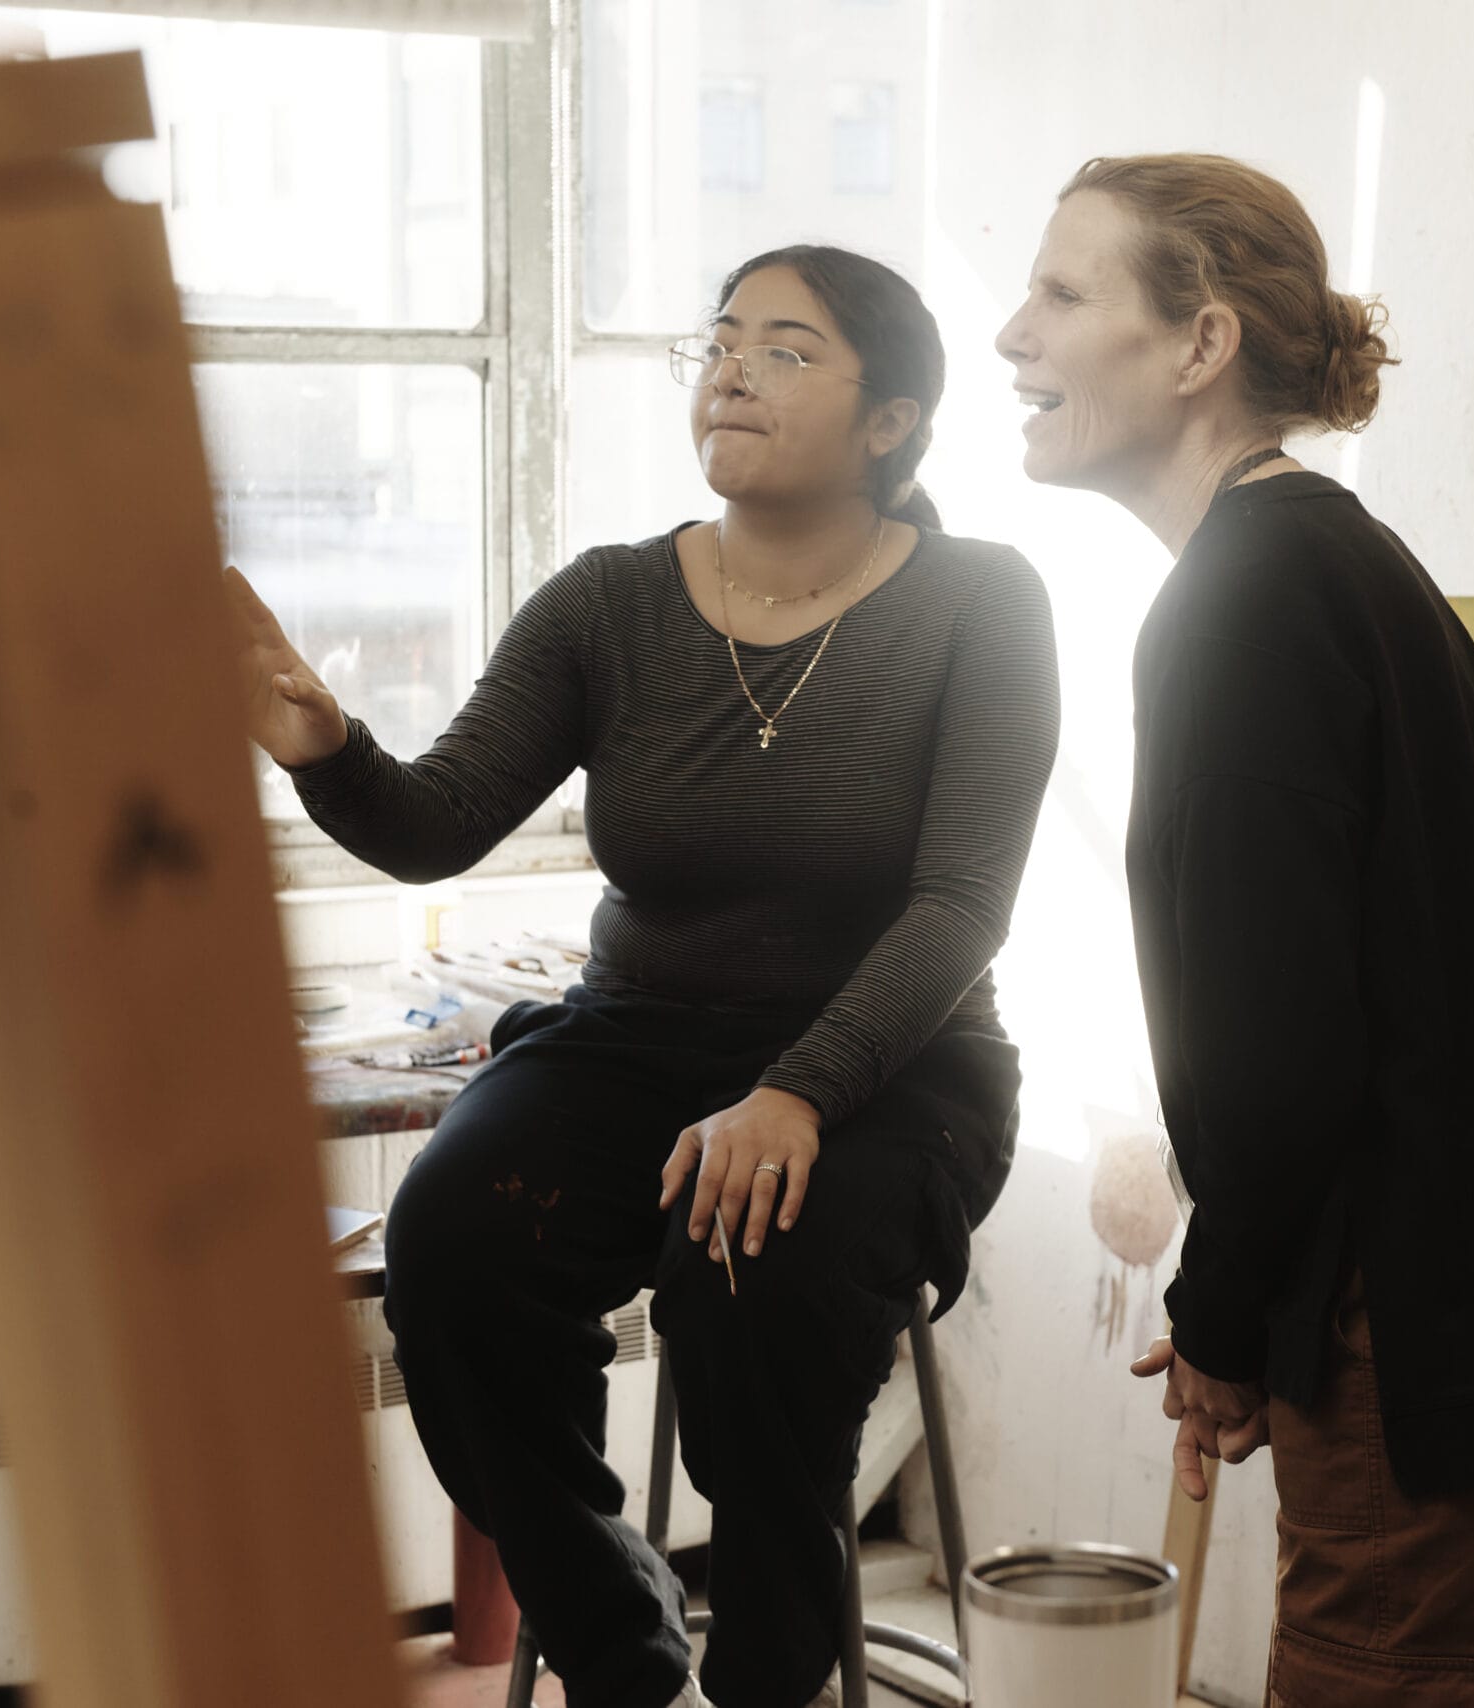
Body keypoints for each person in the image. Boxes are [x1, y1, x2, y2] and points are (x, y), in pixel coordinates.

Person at [229, 245, 1059, 1708]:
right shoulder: (610, 600)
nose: (732, 370)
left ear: (892, 420)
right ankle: (622, 1652)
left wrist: (796, 1093)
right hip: (633, 1041)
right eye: (721, 341)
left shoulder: (981, 603)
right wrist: (324, 747)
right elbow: (434, 824)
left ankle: (777, 1676)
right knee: (454, 1249)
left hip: (892, 1064)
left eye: (788, 349)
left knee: (756, 1277)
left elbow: (961, 907)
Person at [995, 154, 1474, 1706]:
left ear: (1201, 343)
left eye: (1063, 292)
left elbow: (1276, 1046)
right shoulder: (1326, 566)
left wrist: (1223, 1313)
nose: (1012, 333)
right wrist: (1247, 1313)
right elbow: (1371, 987)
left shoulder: (1248, 603)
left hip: (1426, 1339)